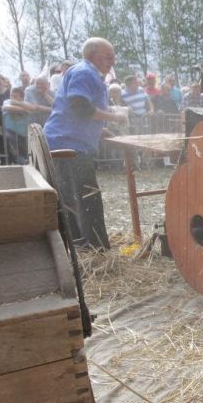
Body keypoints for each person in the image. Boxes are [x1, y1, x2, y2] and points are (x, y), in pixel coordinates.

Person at [44, 37, 128, 249]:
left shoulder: (88, 73)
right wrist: (115, 118)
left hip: (69, 143)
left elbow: (80, 113)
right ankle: (94, 248)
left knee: (75, 196)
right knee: (86, 196)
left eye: (113, 57)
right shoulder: (84, 72)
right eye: (107, 57)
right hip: (68, 146)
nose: (112, 61)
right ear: (92, 55)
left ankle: (82, 244)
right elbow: (80, 107)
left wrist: (100, 129)